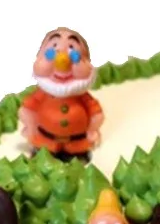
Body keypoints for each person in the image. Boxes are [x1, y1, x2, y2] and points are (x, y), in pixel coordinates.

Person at [19, 27, 103, 161]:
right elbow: (27, 110)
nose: (62, 62)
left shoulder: (82, 97)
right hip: (45, 142)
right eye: (51, 54)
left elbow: (96, 114)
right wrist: (31, 126)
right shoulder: (41, 94)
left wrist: (92, 130)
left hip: (77, 144)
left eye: (74, 56)